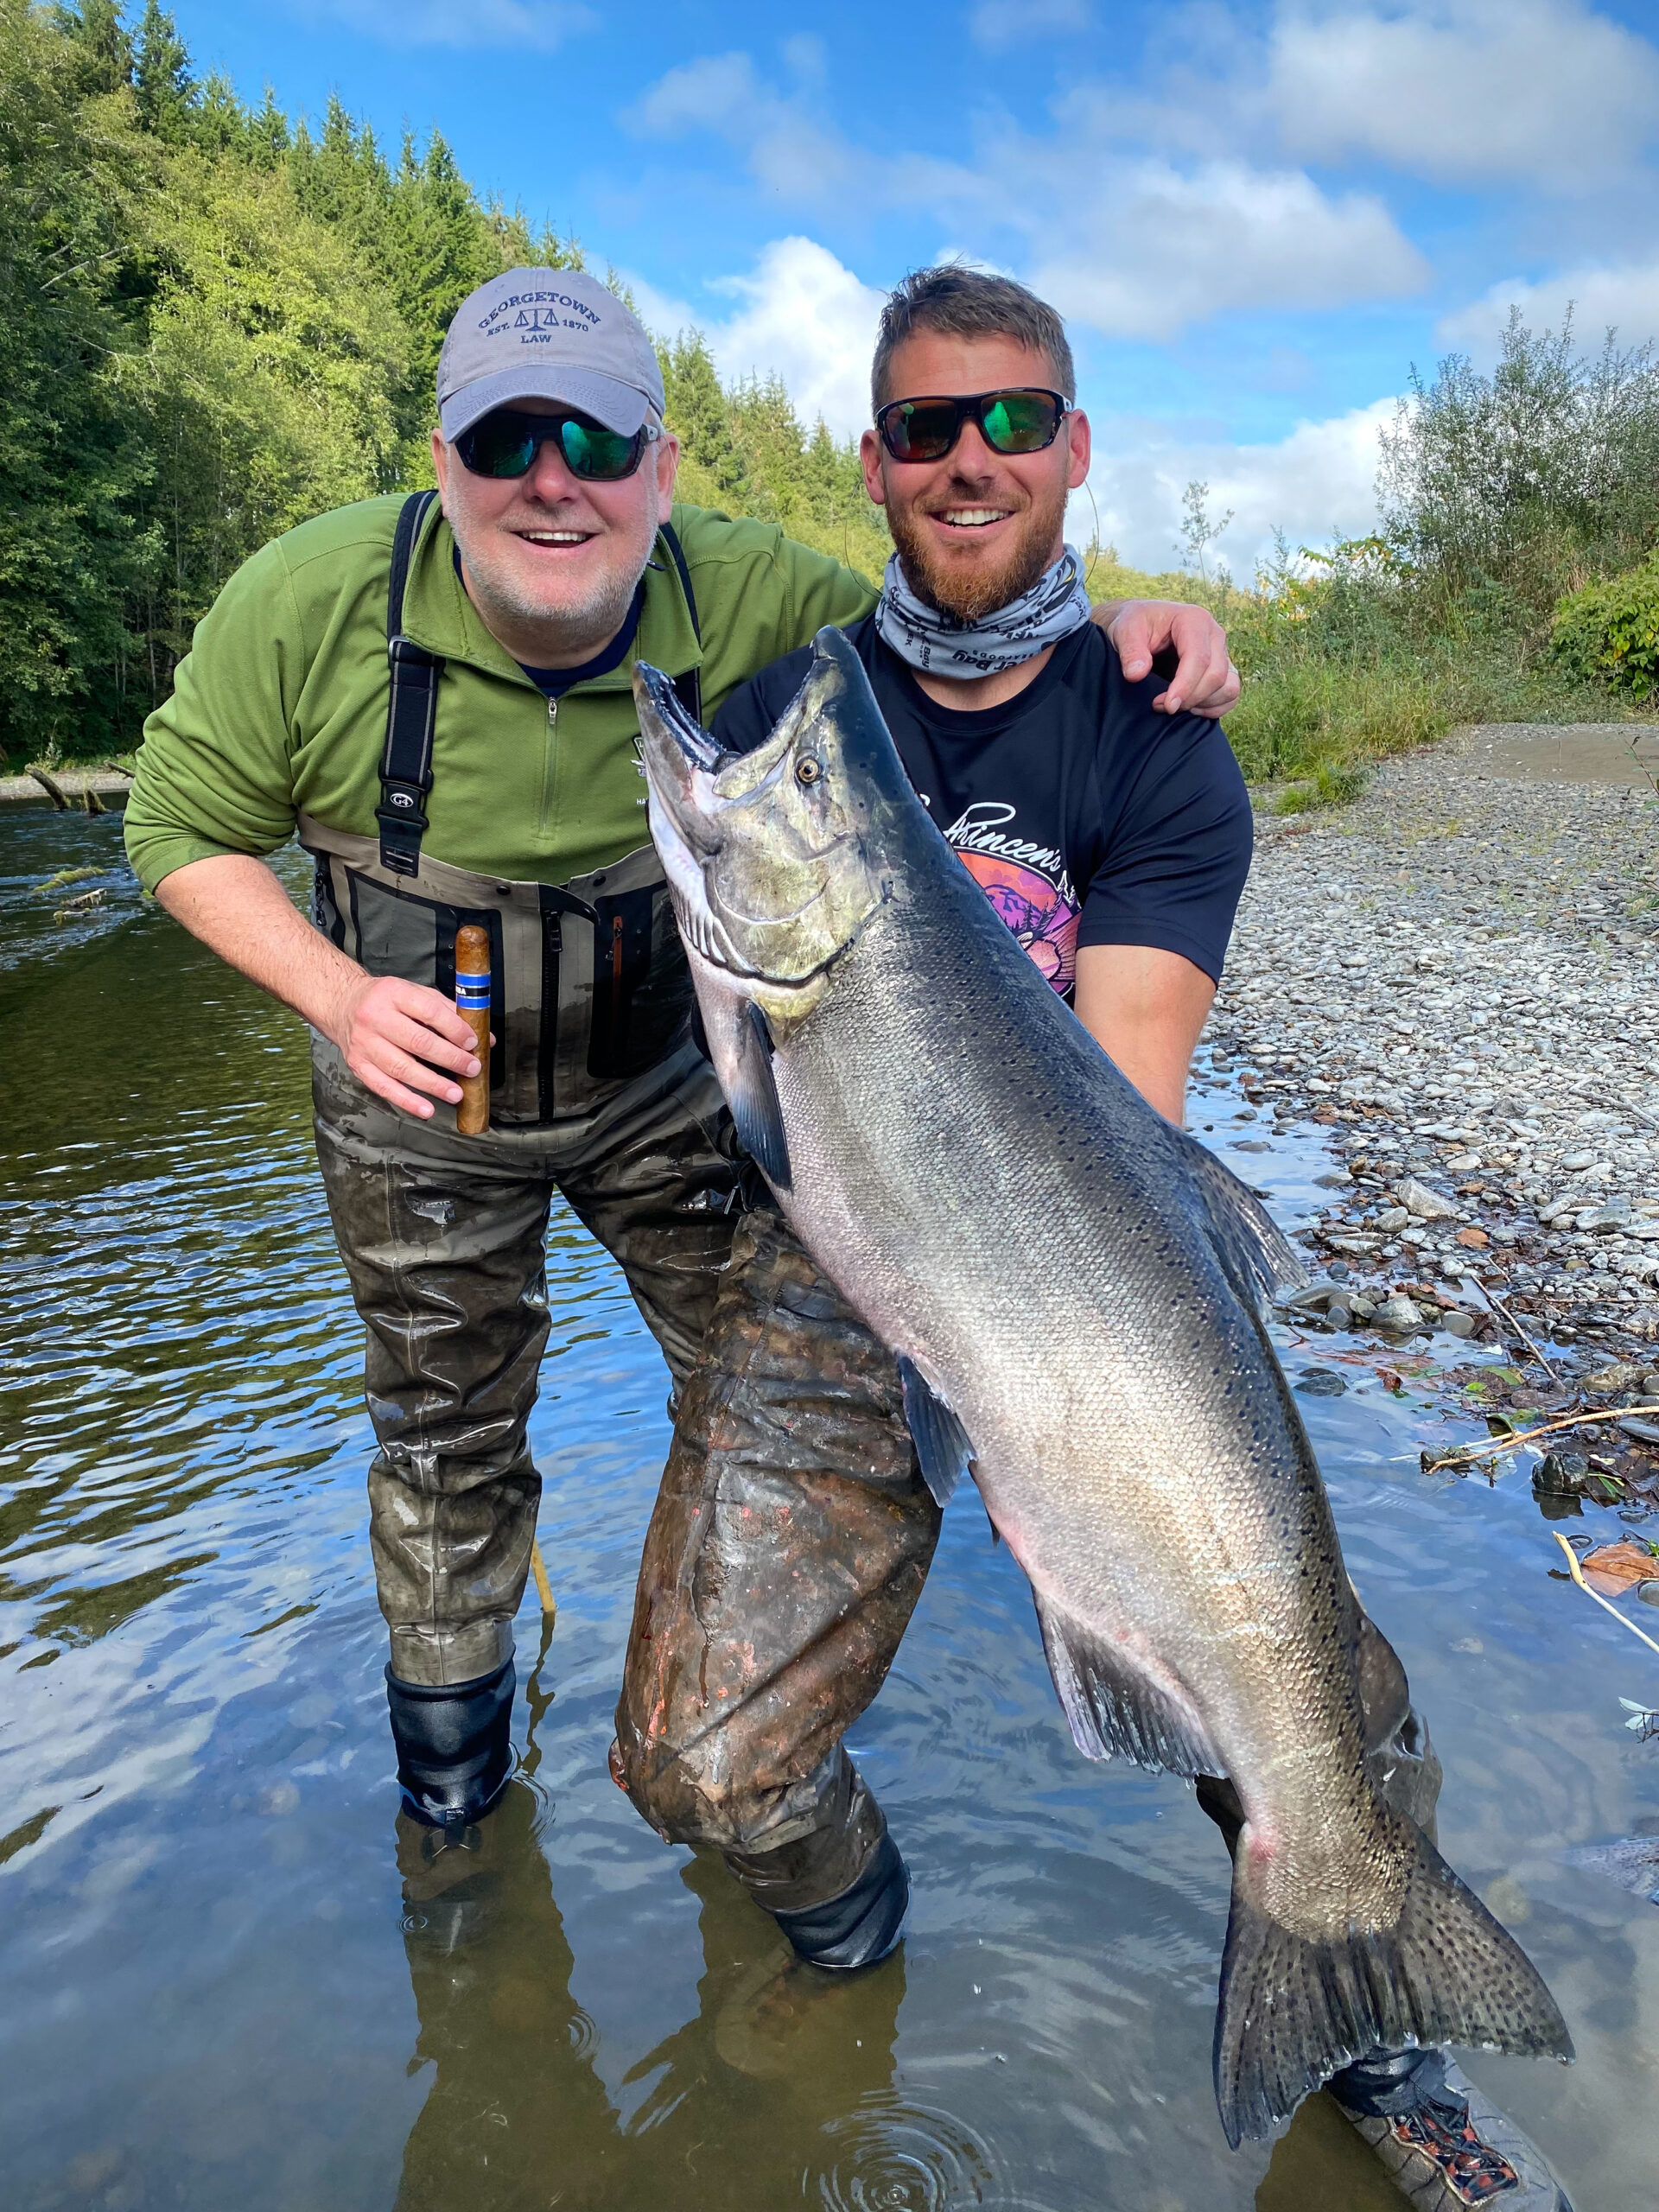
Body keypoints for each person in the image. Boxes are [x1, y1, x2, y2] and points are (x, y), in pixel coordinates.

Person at [614, 267, 1571, 2212]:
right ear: (874, 462)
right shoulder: (799, 702)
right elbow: (570, 571)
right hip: (821, 1268)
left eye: (1013, 421)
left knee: (1312, 1686)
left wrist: (1032, 1390)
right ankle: (845, 1919)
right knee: (696, 1766)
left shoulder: (1162, 747)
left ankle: (1372, 2003)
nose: (971, 460)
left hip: (1061, 1257)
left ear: (1072, 444)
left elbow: (1130, 1108)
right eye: (926, 429)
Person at [122, 276, 1230, 1866]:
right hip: (423, 1082)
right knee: (443, 1444)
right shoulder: (305, 604)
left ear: (663, 461)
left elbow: (971, 591)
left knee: (774, 1377)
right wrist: (337, 994)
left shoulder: (762, 596)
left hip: (680, 1087)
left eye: (595, 435)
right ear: (441, 458)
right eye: (510, 437)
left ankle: (1238, 1786)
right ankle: (456, 1824)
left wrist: (1130, 625)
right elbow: (172, 828)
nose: (552, 476)